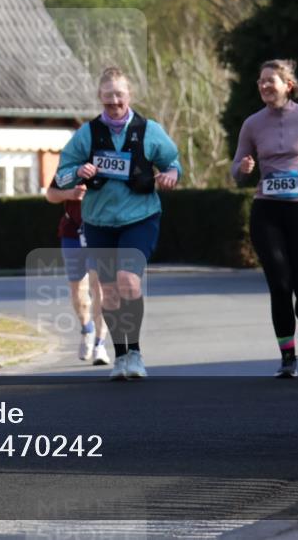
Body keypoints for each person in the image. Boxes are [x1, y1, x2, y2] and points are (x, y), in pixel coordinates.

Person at [54, 66, 181, 380]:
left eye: (119, 95)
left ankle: (135, 352)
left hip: (140, 217)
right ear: (100, 97)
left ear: (129, 96)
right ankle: (120, 356)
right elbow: (62, 173)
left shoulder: (149, 130)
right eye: (108, 95)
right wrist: (77, 173)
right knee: (108, 292)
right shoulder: (87, 134)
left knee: (129, 280)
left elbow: (171, 161)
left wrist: (171, 174)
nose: (114, 101)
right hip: (98, 221)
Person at [231, 59, 298, 378]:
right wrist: (244, 169)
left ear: (288, 85)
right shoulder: (252, 124)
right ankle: (287, 356)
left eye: (270, 81)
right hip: (267, 210)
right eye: (260, 81)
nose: (263, 86)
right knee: (279, 283)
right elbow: (236, 169)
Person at [45, 181, 110, 366]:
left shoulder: (107, 161)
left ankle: (100, 343)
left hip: (100, 231)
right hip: (72, 233)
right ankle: (86, 329)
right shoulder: (70, 165)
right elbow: (50, 194)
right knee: (77, 290)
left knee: (99, 288)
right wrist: (69, 194)